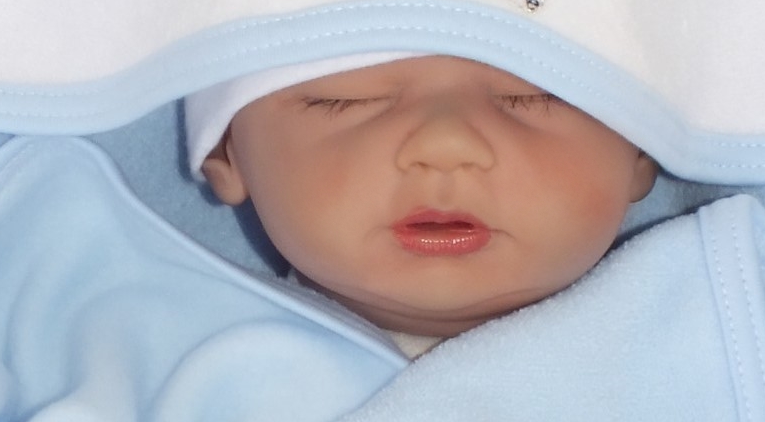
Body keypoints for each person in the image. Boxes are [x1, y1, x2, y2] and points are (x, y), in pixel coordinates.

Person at [187, 54, 657, 354]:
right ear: (227, 151)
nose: (445, 144)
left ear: (643, 149)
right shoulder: (198, 384)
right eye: (346, 99)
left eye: (533, 95)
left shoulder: (687, 353)